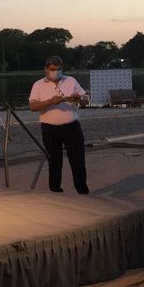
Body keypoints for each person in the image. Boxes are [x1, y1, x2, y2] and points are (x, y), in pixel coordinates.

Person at [29, 56, 89, 194]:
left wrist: (80, 99)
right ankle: (56, 192)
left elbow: (85, 99)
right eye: (53, 69)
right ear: (46, 69)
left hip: (72, 127)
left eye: (59, 69)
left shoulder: (71, 80)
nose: (56, 72)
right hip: (50, 129)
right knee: (54, 162)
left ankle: (83, 191)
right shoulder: (38, 85)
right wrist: (51, 102)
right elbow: (33, 106)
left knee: (78, 160)